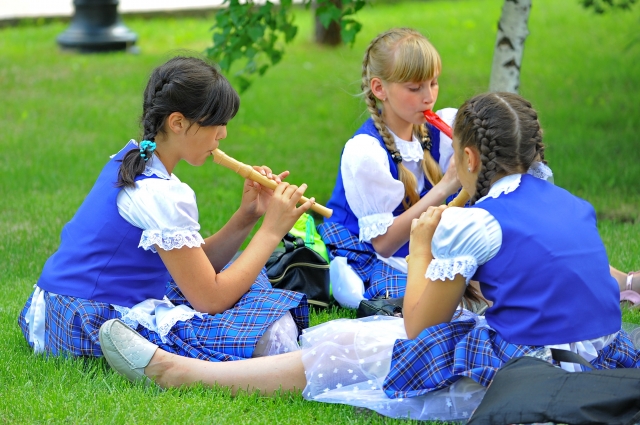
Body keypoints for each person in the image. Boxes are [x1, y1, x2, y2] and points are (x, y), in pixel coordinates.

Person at [97, 91, 640, 421]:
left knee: (358, 344)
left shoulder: (472, 222)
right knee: (356, 336)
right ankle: (195, 368)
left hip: (532, 372)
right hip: (601, 353)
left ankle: (181, 373)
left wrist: (424, 247)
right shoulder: (573, 203)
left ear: (468, 157)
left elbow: (417, 332)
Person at [18, 56, 315, 361]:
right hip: (91, 321)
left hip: (62, 308)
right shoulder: (161, 192)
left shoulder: (133, 157)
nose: (223, 134)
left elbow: (196, 266)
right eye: (217, 122)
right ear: (177, 123)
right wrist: (271, 230)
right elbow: (209, 298)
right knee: (262, 317)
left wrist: (247, 217)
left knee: (244, 273)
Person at [317, 27, 462, 306]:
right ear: (379, 88)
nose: (429, 96)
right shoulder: (365, 151)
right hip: (371, 247)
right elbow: (383, 243)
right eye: (414, 87)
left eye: (433, 83)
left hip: (417, 246)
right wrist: (446, 186)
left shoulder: (441, 131)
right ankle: (344, 276)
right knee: (418, 298)